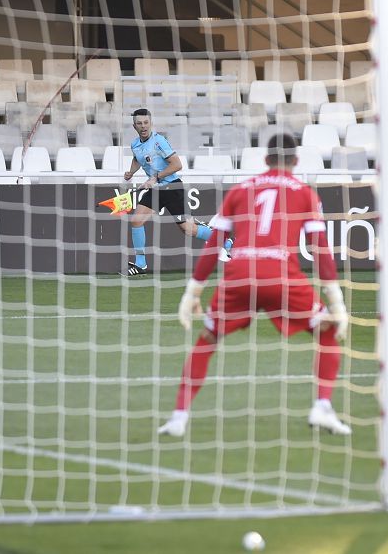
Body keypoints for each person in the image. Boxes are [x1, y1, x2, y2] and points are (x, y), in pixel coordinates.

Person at [159, 133, 351, 437]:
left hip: (240, 276)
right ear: (296, 161)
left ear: (265, 160)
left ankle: (179, 417)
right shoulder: (304, 192)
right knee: (327, 330)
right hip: (281, 277)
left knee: (207, 339)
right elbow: (320, 249)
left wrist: (192, 291)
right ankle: (322, 407)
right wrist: (336, 302)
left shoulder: (241, 189)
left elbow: (214, 243)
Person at [122, 109, 232, 275]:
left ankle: (225, 240)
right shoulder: (135, 144)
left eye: (146, 122)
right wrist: (131, 172)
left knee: (187, 229)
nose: (143, 126)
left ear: (151, 123)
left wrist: (155, 178)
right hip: (157, 188)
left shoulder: (159, 142)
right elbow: (137, 158)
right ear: (134, 126)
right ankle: (141, 264)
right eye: (139, 123)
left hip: (172, 187)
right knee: (137, 220)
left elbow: (177, 165)